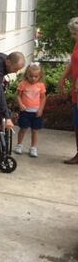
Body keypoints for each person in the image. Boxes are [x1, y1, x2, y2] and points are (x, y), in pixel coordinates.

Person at [15, 63, 47, 158]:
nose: (33, 78)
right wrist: (20, 104)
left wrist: (41, 109)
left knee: (35, 130)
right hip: (25, 111)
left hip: (36, 112)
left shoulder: (41, 85)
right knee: (23, 129)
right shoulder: (23, 84)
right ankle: (19, 145)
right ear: (27, 75)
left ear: (40, 76)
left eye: (36, 76)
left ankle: (33, 148)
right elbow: (18, 95)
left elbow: (43, 98)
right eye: (31, 76)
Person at [58, 17, 78, 164]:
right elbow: (73, 62)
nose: (73, 36)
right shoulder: (77, 44)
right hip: (76, 89)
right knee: (77, 123)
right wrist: (63, 78)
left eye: (75, 33)